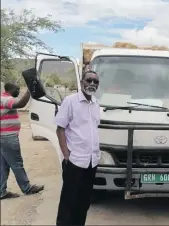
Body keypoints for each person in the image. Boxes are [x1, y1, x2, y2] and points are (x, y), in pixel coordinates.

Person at [55, 70, 101, 226]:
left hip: (91, 161)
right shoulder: (70, 101)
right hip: (74, 161)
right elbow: (60, 129)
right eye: (89, 80)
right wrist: (66, 154)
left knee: (84, 201)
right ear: (82, 82)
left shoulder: (96, 104)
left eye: (96, 82)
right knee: (69, 201)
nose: (92, 84)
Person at [0, 82, 44, 200]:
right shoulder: (5, 99)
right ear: (10, 89)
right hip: (8, 137)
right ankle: (27, 188)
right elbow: (21, 103)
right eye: (17, 89)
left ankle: (1, 191)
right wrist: (30, 89)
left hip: (4, 137)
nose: (19, 91)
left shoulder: (4, 98)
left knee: (3, 166)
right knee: (17, 164)